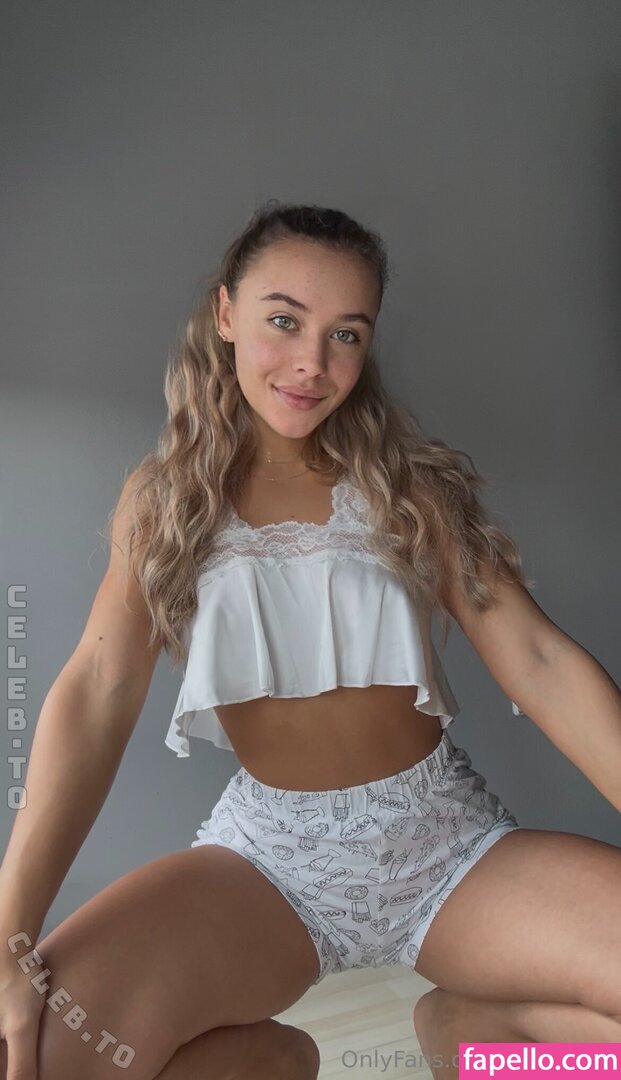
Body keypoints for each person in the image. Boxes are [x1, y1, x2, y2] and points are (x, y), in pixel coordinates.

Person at [1, 202, 620, 1080]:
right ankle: (272, 1063)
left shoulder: (410, 487)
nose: (311, 364)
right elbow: (98, 690)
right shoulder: (164, 503)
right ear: (226, 313)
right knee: (32, 1054)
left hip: (446, 846)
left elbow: (540, 660)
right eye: (284, 321)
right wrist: (9, 932)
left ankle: (479, 1039)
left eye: (345, 335)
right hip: (269, 862)